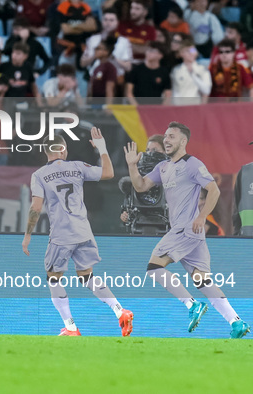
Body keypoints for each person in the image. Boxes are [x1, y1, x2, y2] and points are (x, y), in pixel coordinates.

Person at [123, 121, 250, 338]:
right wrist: (132, 165)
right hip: (191, 233)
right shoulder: (163, 167)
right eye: (165, 136)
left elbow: (214, 190)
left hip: (185, 229)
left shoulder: (192, 164)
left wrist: (201, 216)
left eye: (172, 136)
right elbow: (141, 186)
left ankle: (192, 305)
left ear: (183, 141)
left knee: (154, 268)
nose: (166, 139)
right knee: (202, 280)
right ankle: (236, 322)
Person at [22, 128, 134, 336]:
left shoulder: (39, 175)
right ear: (63, 151)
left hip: (61, 234)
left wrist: (28, 235)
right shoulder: (77, 166)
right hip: (83, 231)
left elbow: (36, 207)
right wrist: (102, 148)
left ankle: (71, 326)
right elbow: (108, 173)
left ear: (46, 152)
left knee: (53, 278)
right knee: (87, 276)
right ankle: (120, 311)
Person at [126, 41, 172, 105]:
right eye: (148, 50)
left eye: (152, 51)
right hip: (138, 108)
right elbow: (129, 92)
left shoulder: (164, 72)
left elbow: (168, 94)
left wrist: (162, 109)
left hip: (156, 108)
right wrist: (137, 107)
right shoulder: (136, 70)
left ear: (160, 55)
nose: (148, 53)